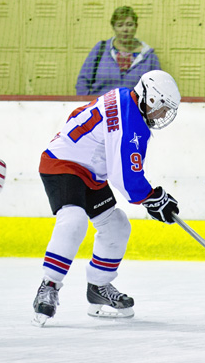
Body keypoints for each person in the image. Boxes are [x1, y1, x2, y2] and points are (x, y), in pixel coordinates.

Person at [33, 70, 181, 326]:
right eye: (162, 108)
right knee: (73, 220)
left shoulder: (125, 99)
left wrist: (151, 198)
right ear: (151, 100)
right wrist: (153, 197)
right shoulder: (131, 120)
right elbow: (124, 175)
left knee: (116, 226)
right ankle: (49, 286)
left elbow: (78, 116)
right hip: (61, 164)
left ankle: (98, 287)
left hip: (89, 171)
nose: (162, 115)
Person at [75, 6, 161, 96]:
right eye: (120, 25)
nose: (125, 29)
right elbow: (83, 81)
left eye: (129, 24)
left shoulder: (149, 56)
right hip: (101, 108)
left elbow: (158, 87)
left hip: (133, 108)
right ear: (113, 27)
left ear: (136, 26)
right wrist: (87, 105)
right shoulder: (101, 49)